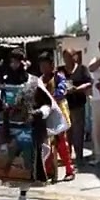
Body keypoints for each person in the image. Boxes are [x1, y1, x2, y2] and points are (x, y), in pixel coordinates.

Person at [0, 50, 68, 200]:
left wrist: (41, 112)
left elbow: (47, 103)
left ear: (24, 62)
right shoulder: (1, 82)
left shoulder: (34, 83)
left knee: (25, 166)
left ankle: (23, 197)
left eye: (17, 61)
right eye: (12, 62)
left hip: (26, 129)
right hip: (4, 128)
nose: (14, 65)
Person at [38, 53, 75, 181]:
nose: (42, 68)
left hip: (59, 113)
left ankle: (69, 170)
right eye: (41, 66)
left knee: (61, 143)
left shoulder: (59, 77)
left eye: (45, 65)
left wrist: (49, 98)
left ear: (52, 65)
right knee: (47, 143)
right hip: (46, 114)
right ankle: (49, 171)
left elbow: (61, 91)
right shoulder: (40, 80)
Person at [63, 50, 92, 164]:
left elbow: (89, 82)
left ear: (74, 57)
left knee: (78, 131)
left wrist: (77, 89)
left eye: (69, 56)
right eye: (65, 57)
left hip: (78, 103)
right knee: (67, 131)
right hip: (65, 104)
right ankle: (68, 156)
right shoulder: (61, 70)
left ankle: (79, 156)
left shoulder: (82, 69)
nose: (67, 59)